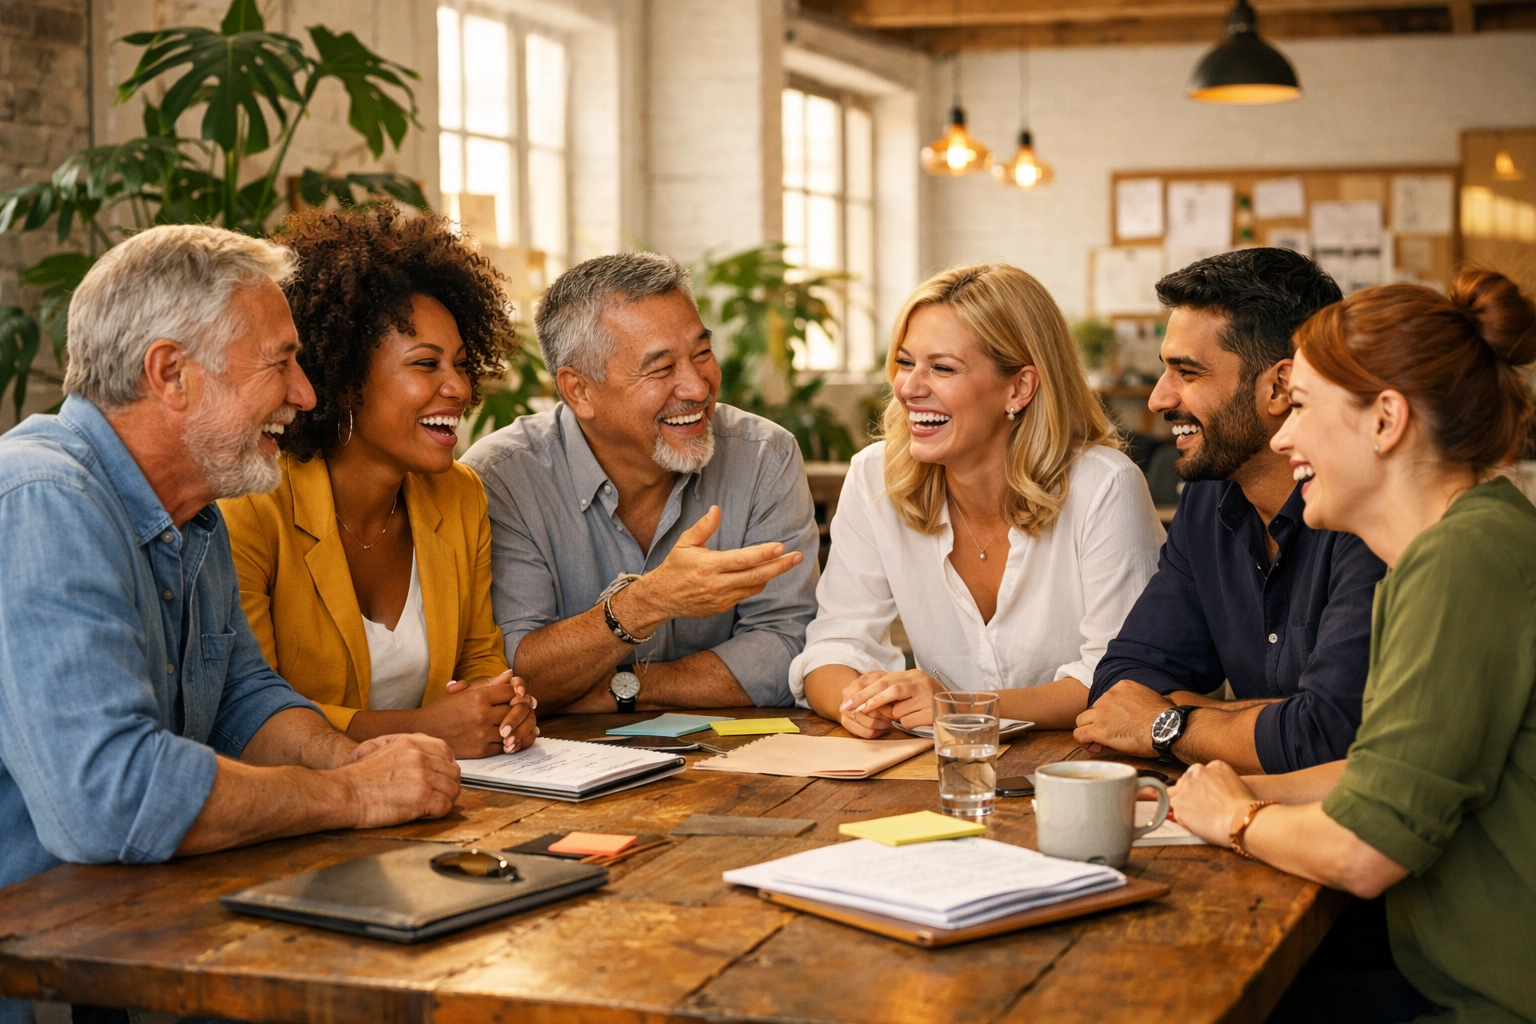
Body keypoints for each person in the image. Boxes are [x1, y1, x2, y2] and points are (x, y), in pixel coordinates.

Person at [0, 226, 461, 1022]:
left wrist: (360, 761)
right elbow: (111, 798)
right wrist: (350, 795)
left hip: (132, 944)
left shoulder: (195, 509)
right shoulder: (43, 501)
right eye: (280, 362)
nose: (306, 394)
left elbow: (244, 699)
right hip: (40, 980)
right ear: (171, 374)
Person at [1170, 270, 1536, 1024]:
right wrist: (1230, 793)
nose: (1282, 437)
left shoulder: (1460, 561)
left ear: (1386, 421)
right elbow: (1385, 773)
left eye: (1300, 406)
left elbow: (1362, 853)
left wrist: (1235, 822)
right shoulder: (1462, 542)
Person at [791, 264, 1164, 734]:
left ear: (1019, 387)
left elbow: (1120, 683)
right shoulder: (874, 477)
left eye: (942, 368)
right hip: (943, 769)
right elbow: (834, 645)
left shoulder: (1104, 486)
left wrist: (959, 706)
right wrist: (862, 703)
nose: (909, 387)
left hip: (1080, 773)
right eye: (905, 363)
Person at [221, 207, 536, 758]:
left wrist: (502, 711)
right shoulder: (252, 506)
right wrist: (425, 728)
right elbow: (247, 713)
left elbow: (482, 662)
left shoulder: (460, 495)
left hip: (445, 799)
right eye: (426, 364)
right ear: (345, 380)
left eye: (460, 364)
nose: (458, 388)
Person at [462, 252, 819, 713]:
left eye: (702, 354)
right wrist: (647, 602)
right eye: (661, 368)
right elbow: (511, 672)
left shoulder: (763, 455)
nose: (697, 386)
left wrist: (624, 688)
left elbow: (789, 645)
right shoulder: (503, 477)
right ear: (579, 391)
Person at [1075, 249, 1385, 774]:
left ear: (1280, 387)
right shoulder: (1209, 498)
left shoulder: (1367, 513)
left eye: (1187, 372)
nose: (1157, 399)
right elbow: (1123, 681)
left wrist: (1169, 725)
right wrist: (1266, 723)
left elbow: (1331, 736)